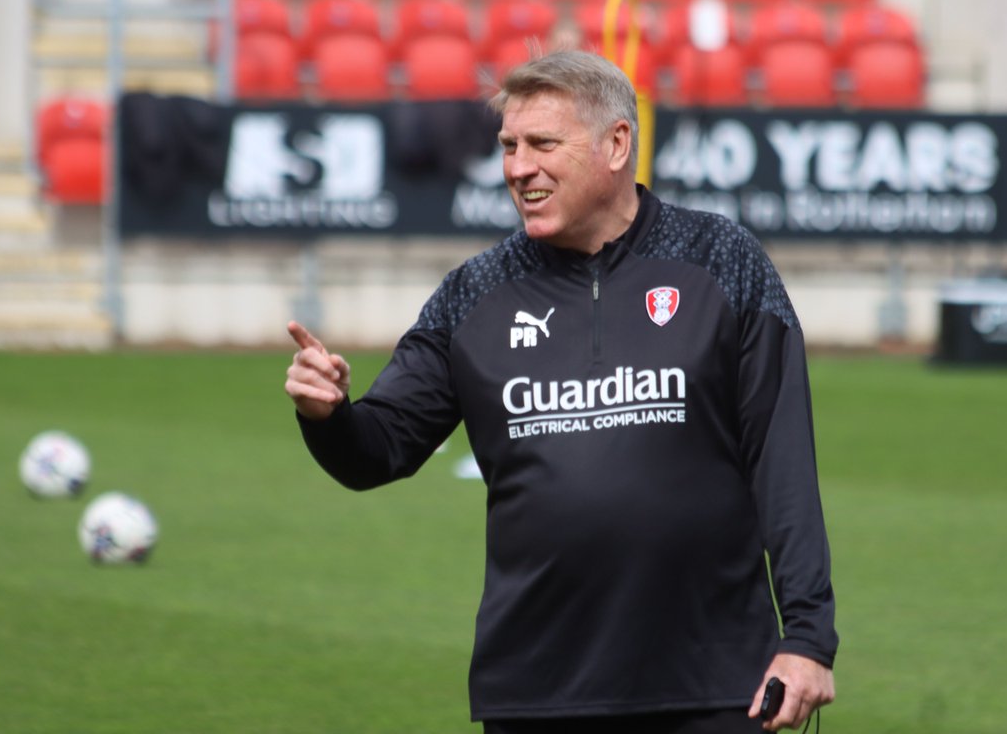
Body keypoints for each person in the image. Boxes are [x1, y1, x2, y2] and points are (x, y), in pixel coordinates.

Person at [285, 50, 838, 733]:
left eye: (544, 143)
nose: (518, 167)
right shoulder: (474, 294)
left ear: (617, 145)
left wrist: (808, 638)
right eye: (510, 147)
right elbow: (378, 450)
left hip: (715, 685)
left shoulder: (722, 263)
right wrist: (329, 415)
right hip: (536, 693)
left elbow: (781, 464)